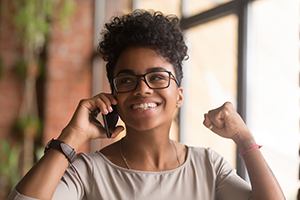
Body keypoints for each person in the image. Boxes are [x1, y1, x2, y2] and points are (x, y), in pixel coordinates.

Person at [8, 10, 285, 200]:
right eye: (127, 80)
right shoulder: (88, 172)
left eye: (157, 77)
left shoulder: (207, 165)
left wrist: (243, 137)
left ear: (179, 94)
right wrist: (73, 135)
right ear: (113, 94)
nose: (142, 89)